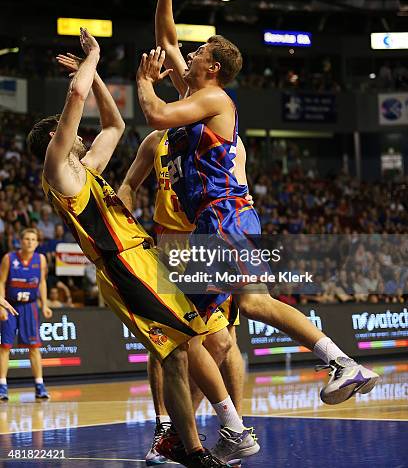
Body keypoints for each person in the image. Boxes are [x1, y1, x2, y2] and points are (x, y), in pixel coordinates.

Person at [135, 0, 380, 462]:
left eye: (199, 53)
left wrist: (142, 83)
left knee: (245, 304)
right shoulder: (197, 94)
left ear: (214, 68)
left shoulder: (215, 99)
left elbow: (155, 116)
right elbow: (167, 35)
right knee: (186, 336)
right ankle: (230, 429)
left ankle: (339, 362)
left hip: (226, 214)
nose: (190, 53)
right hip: (213, 222)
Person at [26, 28, 249, 468]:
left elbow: (115, 125)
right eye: (68, 130)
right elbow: (75, 96)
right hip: (122, 268)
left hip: (143, 258)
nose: (80, 131)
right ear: (56, 140)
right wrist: (93, 58)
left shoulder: (85, 167)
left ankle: (200, 443)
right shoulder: (60, 172)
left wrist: (103, 80)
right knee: (178, 347)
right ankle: (217, 437)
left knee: (188, 344)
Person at [118, 129, 247, 466]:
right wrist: (130, 236)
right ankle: (166, 428)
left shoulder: (214, 134)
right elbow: (128, 186)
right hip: (169, 245)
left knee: (220, 343)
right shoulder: (155, 140)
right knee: (165, 342)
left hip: (209, 241)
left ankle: (185, 430)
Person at [0, 227, 52, 401]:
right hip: (10, 306)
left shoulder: (41, 259)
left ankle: (39, 385)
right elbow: (1, 282)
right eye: (27, 239)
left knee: (34, 347)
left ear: (37, 243)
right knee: (5, 346)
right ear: (20, 241)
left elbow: (42, 282)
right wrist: (1, 306)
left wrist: (44, 304)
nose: (30, 242)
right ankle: (2, 386)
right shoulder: (9, 258)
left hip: (29, 306)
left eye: (33, 239)